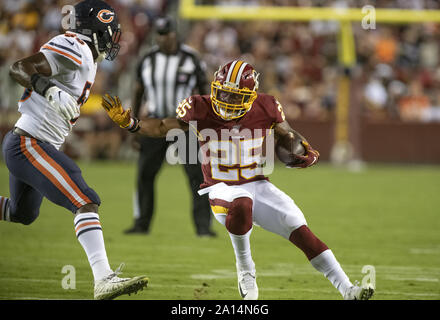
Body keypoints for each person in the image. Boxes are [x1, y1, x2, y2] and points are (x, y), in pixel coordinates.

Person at [101, 60, 375, 300]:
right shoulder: (199, 107)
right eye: (223, 93)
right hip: (219, 187)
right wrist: (132, 124)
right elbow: (162, 126)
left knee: (300, 229)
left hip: (257, 183)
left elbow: (288, 136)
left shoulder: (266, 106)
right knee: (241, 203)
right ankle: (246, 270)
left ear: (251, 96)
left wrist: (303, 151)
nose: (227, 101)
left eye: (235, 96)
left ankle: (347, 289)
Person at [0, 0, 148, 300]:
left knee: (22, 213)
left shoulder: (87, 57)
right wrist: (48, 88)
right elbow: (19, 68)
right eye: (108, 31)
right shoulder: (75, 46)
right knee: (84, 199)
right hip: (29, 143)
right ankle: (103, 278)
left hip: (29, 143)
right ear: (91, 29)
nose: (112, 39)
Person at [125, 16, 215, 237]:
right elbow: (138, 93)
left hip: (184, 124)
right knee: (145, 174)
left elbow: (204, 91)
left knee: (198, 175)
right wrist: (134, 126)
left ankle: (203, 227)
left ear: (175, 34)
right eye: (159, 34)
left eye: (166, 34)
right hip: (155, 123)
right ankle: (141, 223)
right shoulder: (147, 59)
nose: (163, 38)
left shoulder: (191, 59)